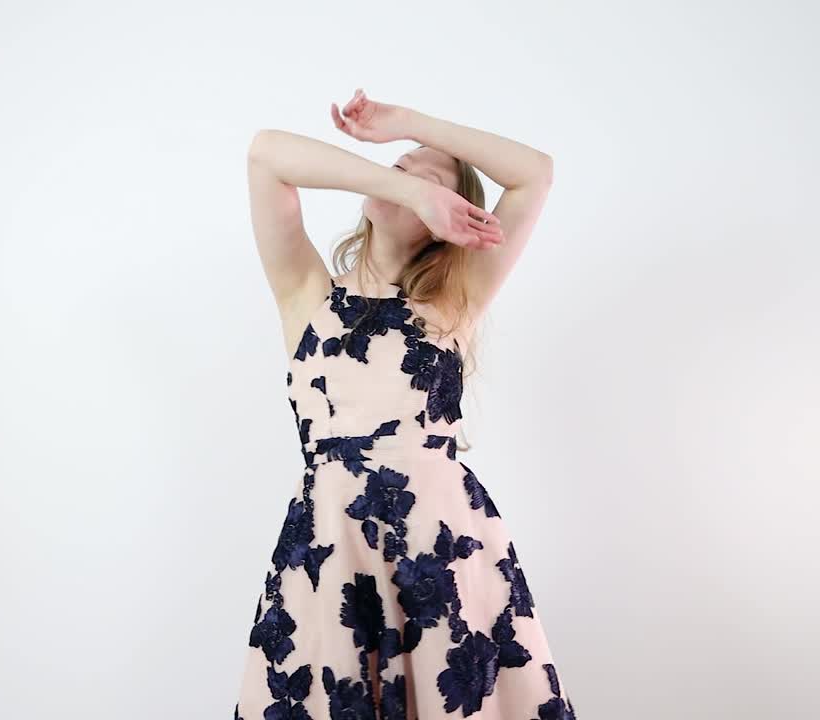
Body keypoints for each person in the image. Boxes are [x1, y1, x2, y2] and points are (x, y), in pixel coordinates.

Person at [237, 88, 576, 720]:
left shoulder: (455, 302)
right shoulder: (308, 294)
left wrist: (419, 127)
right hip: (332, 554)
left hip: (442, 548)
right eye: (399, 167)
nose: (406, 174)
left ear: (456, 218)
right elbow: (265, 155)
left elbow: (534, 175)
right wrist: (409, 185)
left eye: (431, 179)